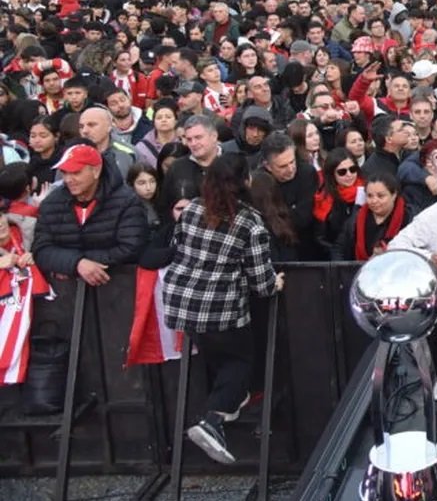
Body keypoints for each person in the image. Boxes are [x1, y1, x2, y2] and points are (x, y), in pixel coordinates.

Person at [161, 154, 283, 465]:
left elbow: (177, 246)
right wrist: (276, 282)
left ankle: (227, 408)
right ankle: (213, 420)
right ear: (245, 181)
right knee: (240, 362)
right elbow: (261, 281)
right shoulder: (250, 222)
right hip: (220, 305)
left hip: (183, 301)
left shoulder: (191, 210)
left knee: (220, 359)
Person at [32, 143, 148, 285]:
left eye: (76, 172)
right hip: (66, 291)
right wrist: (77, 263)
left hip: (114, 286)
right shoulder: (52, 203)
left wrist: (81, 262)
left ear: (96, 171)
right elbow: (41, 250)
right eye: (64, 172)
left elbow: (131, 248)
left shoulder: (126, 201)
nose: (68, 179)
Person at [334, 173, 408, 261]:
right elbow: (339, 248)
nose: (374, 201)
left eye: (380, 196)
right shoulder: (357, 218)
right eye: (369, 196)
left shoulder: (408, 219)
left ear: (394, 195)